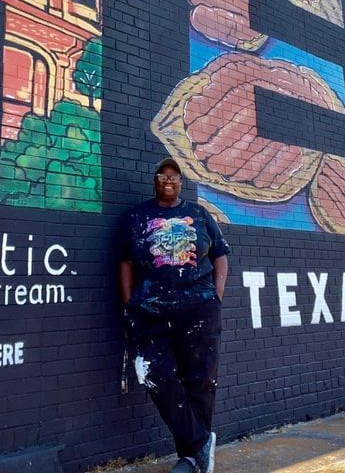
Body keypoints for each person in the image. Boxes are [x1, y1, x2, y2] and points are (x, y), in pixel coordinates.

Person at [119, 158, 230, 473]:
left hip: (199, 308)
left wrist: (216, 296)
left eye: (174, 176)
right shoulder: (136, 217)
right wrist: (128, 304)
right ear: (154, 181)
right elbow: (125, 262)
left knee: (201, 379)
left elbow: (220, 254)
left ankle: (191, 459)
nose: (168, 181)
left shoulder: (199, 213)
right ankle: (200, 442)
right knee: (153, 374)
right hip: (150, 311)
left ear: (181, 182)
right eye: (162, 176)